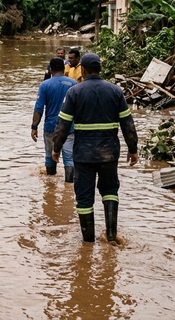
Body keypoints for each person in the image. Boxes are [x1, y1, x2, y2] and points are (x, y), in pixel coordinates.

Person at [52, 53, 138, 243]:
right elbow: (128, 124)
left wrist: (56, 148)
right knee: (110, 191)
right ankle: (111, 236)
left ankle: (88, 243)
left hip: (83, 155)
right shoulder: (115, 91)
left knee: (84, 198)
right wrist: (133, 149)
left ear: (82, 69)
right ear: (100, 68)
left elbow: (62, 125)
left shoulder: (74, 93)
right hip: (109, 155)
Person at [32, 57, 76, 179]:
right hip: (70, 127)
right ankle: (69, 187)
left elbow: (39, 108)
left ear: (50, 70)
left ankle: (50, 186)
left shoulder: (45, 85)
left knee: (50, 156)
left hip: (51, 127)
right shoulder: (73, 84)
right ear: (64, 68)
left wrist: (34, 127)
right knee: (69, 158)